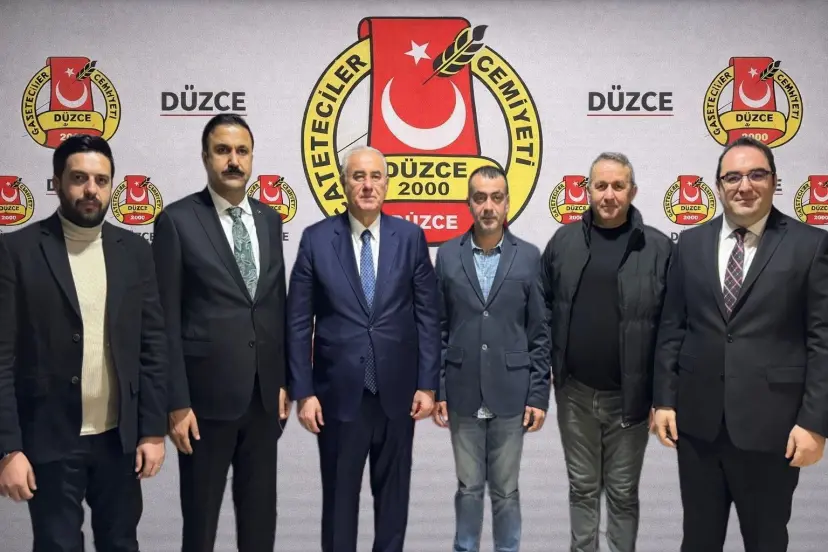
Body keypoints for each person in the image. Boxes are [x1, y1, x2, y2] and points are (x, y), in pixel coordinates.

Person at [653, 136, 828, 552]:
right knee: (698, 540)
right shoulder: (690, 243)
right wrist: (664, 399)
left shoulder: (810, 245)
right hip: (698, 427)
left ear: (774, 181)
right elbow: (673, 326)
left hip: (773, 429)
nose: (744, 186)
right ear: (719, 185)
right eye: (732, 177)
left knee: (766, 541)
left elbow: (822, 340)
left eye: (756, 175)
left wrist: (815, 423)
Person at [0, 135, 167, 551]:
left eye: (101, 180)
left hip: (119, 439)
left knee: (121, 543)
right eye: (79, 178)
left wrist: (152, 431)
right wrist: (9, 449)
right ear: (57, 181)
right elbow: (2, 359)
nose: (91, 189)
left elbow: (153, 346)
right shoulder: (16, 250)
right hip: (50, 437)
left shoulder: (135, 251)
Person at [286, 145, 440, 552]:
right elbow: (298, 322)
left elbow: (428, 317)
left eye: (375, 177)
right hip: (337, 397)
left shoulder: (411, 238)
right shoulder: (317, 239)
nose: (368, 185)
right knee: (339, 505)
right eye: (358, 176)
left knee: (393, 505)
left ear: (387, 184)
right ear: (343, 183)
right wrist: (304, 392)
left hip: (398, 396)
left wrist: (428, 385)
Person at [152, 114, 291, 552]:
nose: (234, 161)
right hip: (203, 405)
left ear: (252, 157)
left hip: (263, 401)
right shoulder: (177, 221)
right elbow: (164, 320)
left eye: (242, 151)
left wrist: (283, 380)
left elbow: (275, 305)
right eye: (223, 151)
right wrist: (176, 402)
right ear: (205, 157)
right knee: (200, 528)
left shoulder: (269, 220)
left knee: (259, 525)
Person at [540, 152, 673, 552]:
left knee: (622, 493)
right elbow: (542, 309)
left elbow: (671, 329)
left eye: (618, 186)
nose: (609, 195)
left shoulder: (658, 248)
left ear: (633, 191)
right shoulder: (563, 242)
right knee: (582, 489)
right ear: (588, 190)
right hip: (575, 395)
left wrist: (662, 397)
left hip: (631, 400)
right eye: (601, 186)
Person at [432, 165, 550, 552]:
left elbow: (539, 333)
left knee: (506, 491)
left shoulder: (529, 257)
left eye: (496, 198)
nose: (488, 206)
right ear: (468, 203)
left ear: (507, 203)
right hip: (462, 390)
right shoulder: (447, 255)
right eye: (480, 198)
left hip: (511, 392)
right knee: (468, 488)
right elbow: (438, 328)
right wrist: (439, 389)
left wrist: (538, 396)